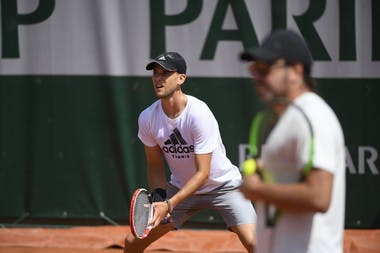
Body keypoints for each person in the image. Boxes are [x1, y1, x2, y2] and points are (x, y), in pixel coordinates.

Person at [124, 52, 256, 253]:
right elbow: (154, 164)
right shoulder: (148, 117)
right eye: (155, 74)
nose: (158, 79)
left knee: (256, 244)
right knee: (133, 243)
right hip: (181, 190)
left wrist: (169, 204)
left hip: (224, 186)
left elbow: (203, 173)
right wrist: (160, 198)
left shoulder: (198, 114)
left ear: (180, 79)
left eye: (165, 74)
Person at [239, 29, 346, 253]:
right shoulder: (291, 116)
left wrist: (258, 190)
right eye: (254, 69)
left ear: (296, 71)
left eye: (264, 68)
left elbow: (319, 196)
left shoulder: (312, 116)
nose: (257, 77)